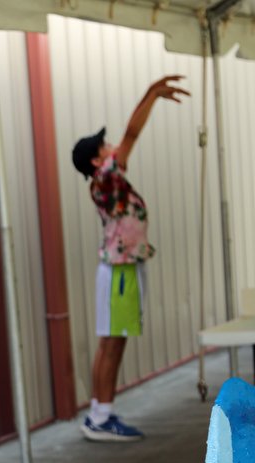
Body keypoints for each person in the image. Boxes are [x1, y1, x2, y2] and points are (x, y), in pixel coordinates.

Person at [70, 75, 187, 443]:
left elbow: (128, 137)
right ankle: (100, 416)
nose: (111, 147)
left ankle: (100, 412)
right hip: (120, 271)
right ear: (95, 160)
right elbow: (132, 135)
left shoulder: (109, 180)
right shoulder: (105, 178)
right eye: (104, 146)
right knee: (112, 341)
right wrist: (152, 93)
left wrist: (151, 94)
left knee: (113, 340)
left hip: (122, 268)